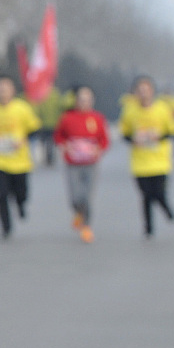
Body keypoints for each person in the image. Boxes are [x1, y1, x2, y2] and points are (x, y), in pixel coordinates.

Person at [0, 75, 41, 238]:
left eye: (5, 89)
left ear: (12, 90)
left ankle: (21, 204)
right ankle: (6, 226)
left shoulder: (22, 108)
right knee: (2, 194)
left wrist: (23, 140)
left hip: (20, 162)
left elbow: (34, 129)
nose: (2, 92)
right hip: (0, 161)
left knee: (21, 193)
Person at [118, 75, 174, 237]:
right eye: (140, 90)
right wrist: (134, 139)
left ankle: (166, 207)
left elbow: (172, 130)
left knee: (158, 192)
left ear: (152, 91)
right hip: (140, 161)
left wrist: (158, 136)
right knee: (145, 195)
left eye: (146, 90)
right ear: (135, 93)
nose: (143, 93)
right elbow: (124, 133)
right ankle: (148, 227)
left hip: (160, 160)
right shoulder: (130, 111)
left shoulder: (162, 108)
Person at [53, 84, 109, 243]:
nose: (84, 103)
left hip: (91, 163)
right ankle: (78, 212)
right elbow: (58, 136)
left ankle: (86, 226)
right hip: (73, 163)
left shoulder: (97, 118)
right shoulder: (67, 118)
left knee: (86, 196)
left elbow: (104, 140)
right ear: (76, 101)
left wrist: (99, 149)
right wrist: (65, 146)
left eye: (88, 100)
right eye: (81, 100)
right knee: (75, 196)